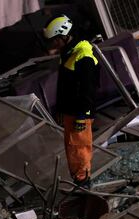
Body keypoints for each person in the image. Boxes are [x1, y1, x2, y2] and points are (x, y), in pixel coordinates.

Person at [44, 15, 99, 188]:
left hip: (79, 113)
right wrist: (61, 109)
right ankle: (80, 179)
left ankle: (83, 183)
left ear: (63, 36)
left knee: (79, 148)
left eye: (54, 41)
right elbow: (66, 86)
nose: (52, 45)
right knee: (72, 147)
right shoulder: (69, 52)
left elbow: (88, 90)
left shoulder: (84, 56)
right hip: (71, 111)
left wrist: (83, 116)